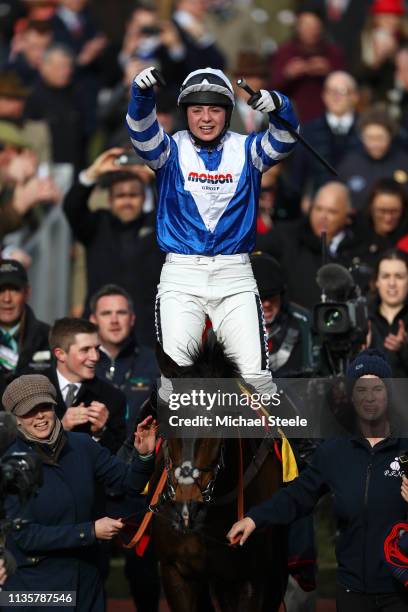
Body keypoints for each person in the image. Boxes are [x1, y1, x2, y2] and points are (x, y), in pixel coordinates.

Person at [126, 65, 299, 398]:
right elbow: (141, 132)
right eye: (197, 110)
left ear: (228, 112)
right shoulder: (168, 150)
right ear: (185, 113)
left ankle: (283, 450)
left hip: (236, 276)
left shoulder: (249, 149)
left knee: (258, 384)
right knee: (176, 386)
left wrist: (279, 105)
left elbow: (286, 138)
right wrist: (141, 94)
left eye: (215, 109)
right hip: (181, 276)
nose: (206, 118)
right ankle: (154, 451)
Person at [228, 349, 408, 612]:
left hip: (400, 591)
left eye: (377, 388)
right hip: (352, 592)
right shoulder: (334, 452)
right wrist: (254, 518)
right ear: (350, 396)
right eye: (361, 389)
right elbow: (296, 496)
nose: (370, 397)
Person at [2, 373, 156, 611]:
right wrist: (90, 531)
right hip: (34, 587)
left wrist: (144, 456)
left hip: (87, 583)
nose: (40, 415)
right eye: (29, 411)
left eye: (45, 406)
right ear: (16, 420)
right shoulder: (9, 464)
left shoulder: (83, 445)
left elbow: (128, 483)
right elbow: (26, 537)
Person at [63, 154, 164, 346]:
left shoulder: (157, 225)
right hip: (99, 333)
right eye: (120, 196)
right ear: (109, 200)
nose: (127, 201)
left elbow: (177, 208)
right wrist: (93, 174)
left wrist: (158, 175)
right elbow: (72, 206)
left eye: (133, 195)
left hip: (148, 333)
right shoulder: (97, 225)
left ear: (144, 198)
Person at [257, 182, 363, 310]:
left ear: (348, 216)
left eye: (332, 212)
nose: (323, 216)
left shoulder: (361, 248)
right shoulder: (287, 237)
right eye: (318, 208)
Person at [44, 317, 126, 454]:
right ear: (61, 354)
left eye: (97, 348)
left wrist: (100, 433)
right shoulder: (33, 389)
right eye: (85, 349)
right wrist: (61, 427)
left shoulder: (113, 397)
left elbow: (120, 457)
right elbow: (20, 445)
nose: (95, 357)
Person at [89, 284, 159, 435]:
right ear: (93, 320)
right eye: (106, 313)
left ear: (132, 319)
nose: (114, 320)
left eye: (121, 313)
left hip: (141, 455)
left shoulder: (156, 363)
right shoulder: (82, 364)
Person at [291, 70, 360, 203]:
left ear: (355, 96)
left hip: (358, 204)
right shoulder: (308, 131)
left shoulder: (366, 130)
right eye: (330, 91)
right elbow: (298, 174)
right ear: (324, 96)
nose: (335, 96)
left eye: (342, 91)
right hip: (318, 204)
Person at [270, 0, 345, 123]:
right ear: (297, 26)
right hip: (291, 119)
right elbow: (272, 89)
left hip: (326, 119)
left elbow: (346, 86)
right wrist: (288, 74)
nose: (309, 30)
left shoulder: (333, 52)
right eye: (305, 25)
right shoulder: (285, 52)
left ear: (320, 28)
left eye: (313, 26)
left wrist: (329, 72)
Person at [338, 108, 408, 212]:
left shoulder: (404, 162)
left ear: (390, 136)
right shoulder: (349, 163)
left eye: (380, 138)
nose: (375, 144)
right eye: (370, 138)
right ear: (362, 137)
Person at [0, 259, 51, 397]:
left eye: (14, 289)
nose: (6, 299)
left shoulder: (50, 338)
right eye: (1, 290)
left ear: (27, 292)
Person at [369, 249, 408, 378]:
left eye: (399, 276)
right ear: (376, 282)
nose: (392, 283)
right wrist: (359, 352)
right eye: (385, 276)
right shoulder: (363, 318)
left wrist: (404, 349)